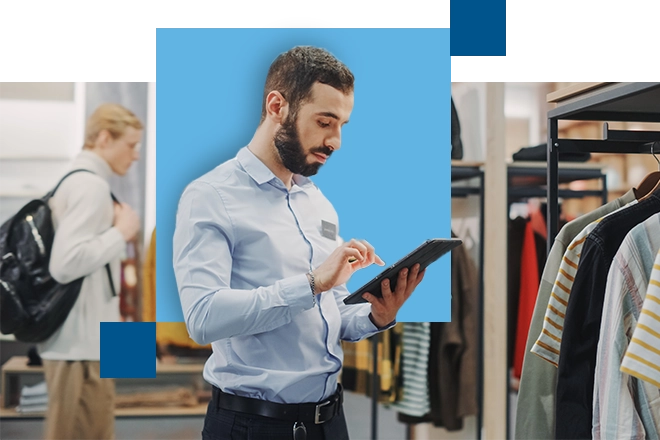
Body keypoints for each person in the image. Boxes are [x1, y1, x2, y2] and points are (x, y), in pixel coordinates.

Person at [173, 46, 427, 440]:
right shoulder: (210, 196)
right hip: (251, 426)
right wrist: (311, 283)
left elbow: (333, 313)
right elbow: (203, 319)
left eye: (342, 124)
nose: (336, 140)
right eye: (325, 122)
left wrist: (376, 315)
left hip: (329, 422)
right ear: (277, 106)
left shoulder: (318, 204)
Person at [39, 103, 142, 440]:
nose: (136, 155)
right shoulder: (90, 186)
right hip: (81, 347)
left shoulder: (83, 181)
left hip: (92, 341)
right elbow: (65, 264)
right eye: (130, 145)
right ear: (103, 138)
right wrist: (121, 232)